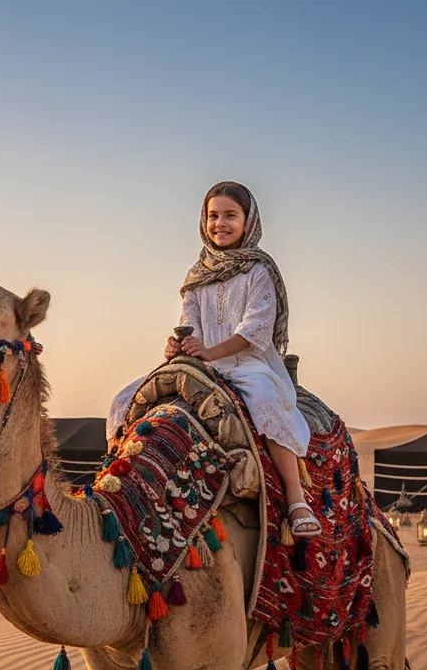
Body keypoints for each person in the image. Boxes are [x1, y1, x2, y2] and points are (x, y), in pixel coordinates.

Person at [106, 180, 320, 536]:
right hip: (201, 365)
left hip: (248, 364)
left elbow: (256, 330)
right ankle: (116, 483)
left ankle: (297, 500)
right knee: (124, 399)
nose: (220, 224)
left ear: (248, 221)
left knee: (267, 402)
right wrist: (179, 346)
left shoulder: (258, 270)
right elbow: (189, 322)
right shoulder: (197, 274)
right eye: (213, 216)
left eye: (230, 216)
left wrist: (210, 352)